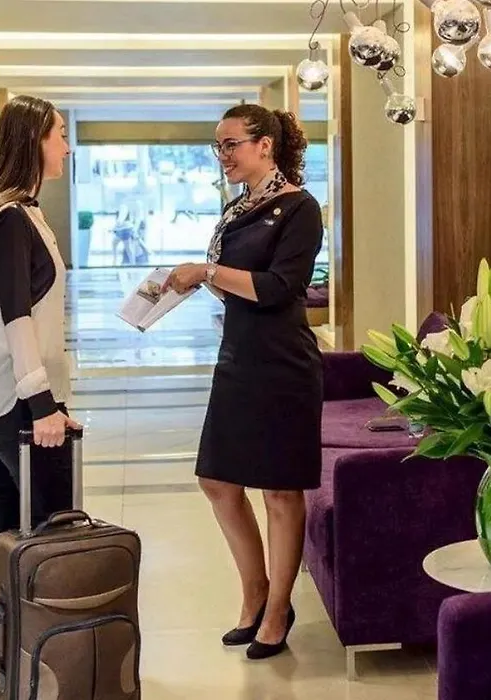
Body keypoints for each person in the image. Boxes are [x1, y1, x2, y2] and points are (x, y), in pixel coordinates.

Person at [164, 104, 323, 660]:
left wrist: (207, 271)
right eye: (218, 146)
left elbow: (279, 288)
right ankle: (255, 591)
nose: (223, 155)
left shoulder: (300, 207)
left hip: (283, 364)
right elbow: (233, 285)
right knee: (217, 481)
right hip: (237, 357)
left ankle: (277, 609)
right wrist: (194, 282)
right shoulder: (238, 209)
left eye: (231, 144)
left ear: (265, 145)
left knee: (280, 490)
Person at [0, 94, 82, 619]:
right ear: (34, 140)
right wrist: (42, 404)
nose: (67, 148)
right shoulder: (10, 217)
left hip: (4, 394)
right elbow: (17, 317)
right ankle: (38, 640)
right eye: (60, 135)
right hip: (15, 398)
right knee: (53, 519)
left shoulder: (22, 212)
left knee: (1, 518)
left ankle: (8, 640)